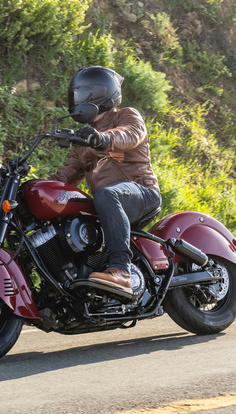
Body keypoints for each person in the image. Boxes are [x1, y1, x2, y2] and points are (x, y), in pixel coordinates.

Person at [49, 66, 161, 298]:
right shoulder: (83, 141)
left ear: (101, 94)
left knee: (106, 194)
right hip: (108, 203)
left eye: (82, 94)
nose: (77, 100)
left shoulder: (126, 115)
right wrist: (27, 186)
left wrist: (103, 138)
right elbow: (63, 178)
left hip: (141, 192)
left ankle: (122, 270)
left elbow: (130, 134)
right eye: (75, 95)